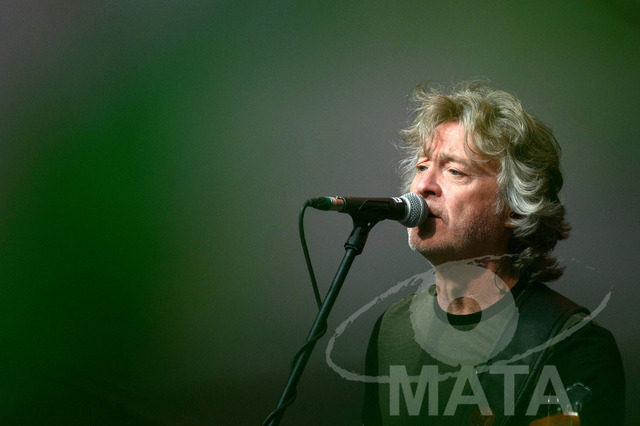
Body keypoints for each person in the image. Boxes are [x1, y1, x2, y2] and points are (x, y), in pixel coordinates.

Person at [361, 81, 625, 425]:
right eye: (422, 167)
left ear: (515, 207)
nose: (423, 186)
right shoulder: (391, 331)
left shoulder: (573, 346)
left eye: (455, 171)